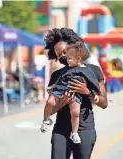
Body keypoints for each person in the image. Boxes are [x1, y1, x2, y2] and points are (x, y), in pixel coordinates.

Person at [41, 28, 108, 159]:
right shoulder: (57, 75)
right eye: (59, 55)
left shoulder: (93, 70)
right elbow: (51, 109)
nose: (62, 57)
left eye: (64, 52)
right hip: (61, 129)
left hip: (84, 128)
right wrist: (63, 102)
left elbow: (104, 103)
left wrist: (87, 92)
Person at [41, 41, 100, 144]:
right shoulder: (63, 69)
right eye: (59, 55)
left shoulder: (88, 70)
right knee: (50, 102)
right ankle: (46, 120)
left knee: (75, 112)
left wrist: (92, 93)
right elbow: (59, 79)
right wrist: (53, 88)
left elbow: (93, 83)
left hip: (75, 95)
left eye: (67, 56)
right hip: (60, 92)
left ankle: (74, 133)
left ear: (78, 58)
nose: (64, 58)